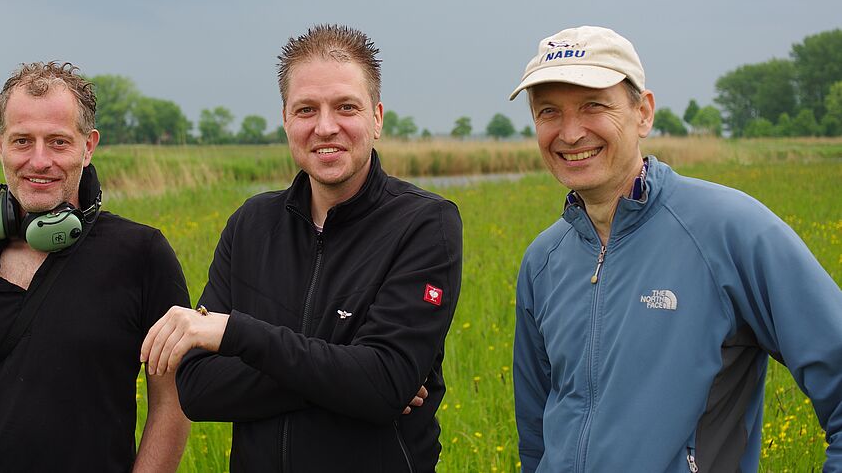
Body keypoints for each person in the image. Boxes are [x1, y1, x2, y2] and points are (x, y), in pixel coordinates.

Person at [508, 26, 842, 471]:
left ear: (642, 113)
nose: (570, 133)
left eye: (593, 106)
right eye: (549, 112)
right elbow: (535, 442)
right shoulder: (542, 261)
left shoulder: (730, 230)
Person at [140, 24, 463, 472]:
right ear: (286, 119)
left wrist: (236, 334)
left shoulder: (425, 223)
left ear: (377, 117)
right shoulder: (250, 224)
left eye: (346, 107)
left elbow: (383, 385)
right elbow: (197, 388)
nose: (325, 127)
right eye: (306, 109)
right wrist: (352, 371)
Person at [0, 62, 191, 472]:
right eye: (22, 141)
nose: (39, 160)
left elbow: (171, 405)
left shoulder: (142, 255)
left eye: (58, 142)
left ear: (88, 147)